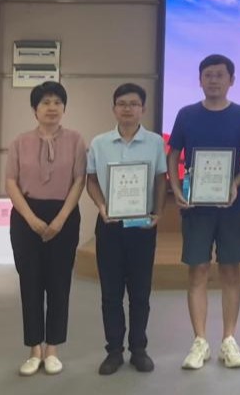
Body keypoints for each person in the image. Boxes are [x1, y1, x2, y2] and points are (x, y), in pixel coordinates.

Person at [167, 54, 240, 370]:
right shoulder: (186, 114)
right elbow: (173, 155)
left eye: (220, 75)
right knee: (198, 270)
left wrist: (236, 183)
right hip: (196, 207)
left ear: (231, 80)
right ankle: (200, 341)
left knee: (231, 271)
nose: (214, 80)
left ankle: (228, 340)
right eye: (208, 75)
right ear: (200, 80)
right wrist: (176, 189)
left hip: (233, 205)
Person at [85, 83, 168, 374]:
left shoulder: (155, 142)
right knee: (110, 293)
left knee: (140, 293)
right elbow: (91, 180)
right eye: (122, 103)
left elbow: (161, 179)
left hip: (142, 225)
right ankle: (114, 351)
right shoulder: (99, 143)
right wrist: (101, 206)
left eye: (134, 104)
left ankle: (139, 349)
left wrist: (159, 212)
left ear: (143, 109)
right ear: (114, 109)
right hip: (109, 224)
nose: (127, 108)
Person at [5, 81, 86, 376]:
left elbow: (79, 180)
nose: (52, 107)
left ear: (64, 108)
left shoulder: (76, 140)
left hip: (64, 215)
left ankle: (52, 349)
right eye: (45, 102)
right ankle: (33, 349)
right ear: (34, 109)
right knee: (30, 282)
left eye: (57, 102)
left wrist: (61, 219)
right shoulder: (19, 142)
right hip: (26, 217)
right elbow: (11, 182)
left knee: (59, 282)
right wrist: (31, 218)